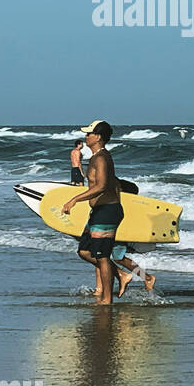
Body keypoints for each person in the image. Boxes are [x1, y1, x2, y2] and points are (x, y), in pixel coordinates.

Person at [61, 120, 125, 303]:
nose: (86, 136)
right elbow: (114, 182)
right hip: (99, 210)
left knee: (102, 257)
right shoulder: (97, 157)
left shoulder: (101, 157)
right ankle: (121, 274)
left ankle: (107, 299)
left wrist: (75, 199)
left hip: (107, 211)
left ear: (97, 137)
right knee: (84, 250)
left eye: (89, 134)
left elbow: (102, 185)